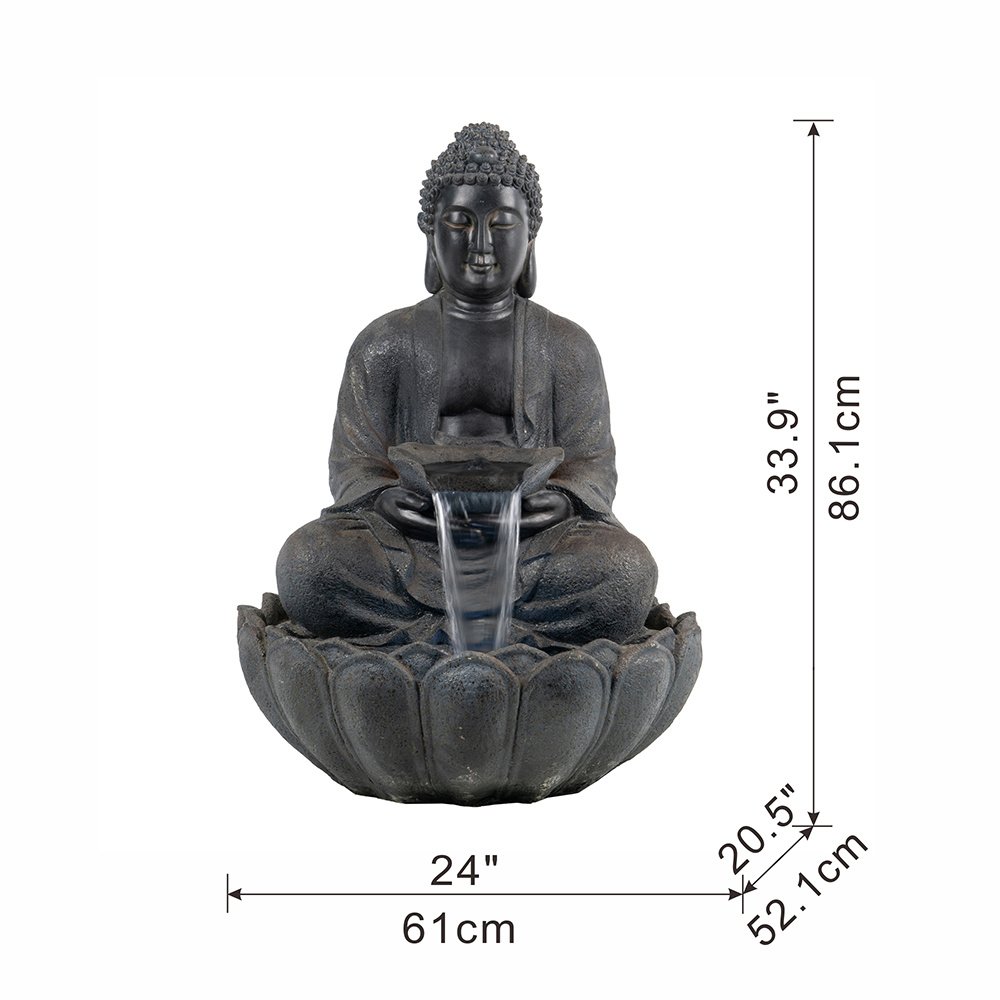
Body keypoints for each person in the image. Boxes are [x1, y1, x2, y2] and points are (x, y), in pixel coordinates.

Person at [277, 123, 657, 645]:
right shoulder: (385, 342)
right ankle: (517, 647)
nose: (480, 244)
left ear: (530, 234)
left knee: (624, 571)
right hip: (416, 543)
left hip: (532, 544)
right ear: (431, 233)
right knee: (310, 563)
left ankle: (418, 645)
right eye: (459, 222)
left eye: (502, 224)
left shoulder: (566, 347)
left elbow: (592, 463)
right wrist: (384, 498)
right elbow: (353, 461)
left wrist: (563, 502)